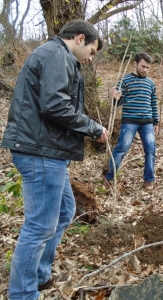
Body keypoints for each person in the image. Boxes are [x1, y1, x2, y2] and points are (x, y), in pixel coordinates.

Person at [1, 19, 108, 299]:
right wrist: (93, 128)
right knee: (39, 225)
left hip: (47, 150)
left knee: (63, 212)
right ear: (80, 38)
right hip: (40, 151)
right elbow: (55, 105)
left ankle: (39, 274)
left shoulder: (57, 56)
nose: (91, 57)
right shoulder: (56, 55)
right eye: (93, 51)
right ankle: (23, 293)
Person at [103, 52, 159, 191]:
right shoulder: (125, 81)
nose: (145, 70)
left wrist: (156, 122)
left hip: (147, 122)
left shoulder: (150, 83)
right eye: (143, 66)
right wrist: (116, 98)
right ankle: (108, 177)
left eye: (148, 67)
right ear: (135, 64)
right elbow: (118, 103)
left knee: (151, 150)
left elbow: (153, 103)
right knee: (122, 148)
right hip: (129, 121)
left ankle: (148, 180)